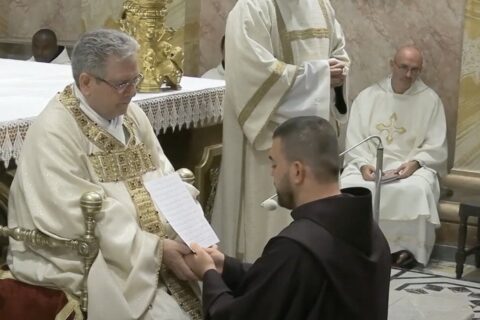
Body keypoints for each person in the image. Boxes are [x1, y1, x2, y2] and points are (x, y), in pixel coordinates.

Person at [8, 29, 202, 320]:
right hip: (98, 260)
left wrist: (191, 234)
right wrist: (156, 250)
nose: (133, 91)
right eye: (123, 83)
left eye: (135, 80)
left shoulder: (133, 117)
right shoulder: (55, 131)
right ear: (86, 82)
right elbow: (76, 213)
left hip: (154, 250)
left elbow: (164, 176)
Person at [185, 116, 391, 320]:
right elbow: (283, 283)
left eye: (274, 164)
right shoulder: (369, 228)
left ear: (297, 171)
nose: (272, 174)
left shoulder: (296, 248)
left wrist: (208, 274)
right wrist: (226, 267)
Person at [212, 0, 350, 262]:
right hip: (267, 146)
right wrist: (319, 77)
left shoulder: (321, 5)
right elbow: (251, 77)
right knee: (267, 229)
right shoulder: (251, 9)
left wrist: (338, 73)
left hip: (314, 144)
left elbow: (339, 53)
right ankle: (263, 280)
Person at [341, 46, 448, 267]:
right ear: (392, 65)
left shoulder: (430, 100)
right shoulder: (368, 97)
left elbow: (435, 144)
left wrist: (414, 163)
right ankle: (353, 245)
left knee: (416, 190)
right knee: (349, 185)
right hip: (370, 163)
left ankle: (405, 249)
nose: (408, 74)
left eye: (414, 70)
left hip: (410, 168)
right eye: (404, 67)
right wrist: (363, 165)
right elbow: (355, 139)